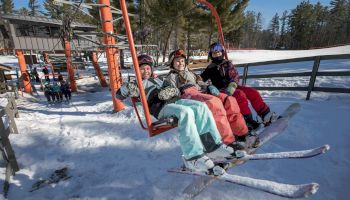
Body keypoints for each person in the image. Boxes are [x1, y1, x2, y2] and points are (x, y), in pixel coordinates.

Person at [116, 54, 242, 173]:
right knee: (185, 113)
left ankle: (212, 145)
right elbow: (118, 95)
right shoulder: (136, 84)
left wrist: (171, 91)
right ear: (137, 70)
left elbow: (175, 89)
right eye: (142, 69)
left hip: (175, 101)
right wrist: (127, 88)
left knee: (201, 107)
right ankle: (192, 157)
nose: (145, 71)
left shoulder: (159, 80)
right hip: (160, 108)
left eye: (147, 68)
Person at [162, 49, 255, 149]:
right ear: (172, 63)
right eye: (177, 61)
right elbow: (167, 93)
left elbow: (200, 82)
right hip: (188, 95)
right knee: (214, 103)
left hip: (200, 91)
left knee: (228, 99)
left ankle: (242, 133)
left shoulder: (191, 73)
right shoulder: (170, 77)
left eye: (182, 61)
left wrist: (208, 86)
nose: (181, 63)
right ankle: (227, 141)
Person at [201, 42, 278, 130]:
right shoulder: (210, 68)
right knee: (240, 95)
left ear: (222, 52)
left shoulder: (227, 64)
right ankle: (247, 120)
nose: (217, 55)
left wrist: (233, 85)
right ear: (211, 55)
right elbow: (201, 79)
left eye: (218, 52)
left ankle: (265, 114)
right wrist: (202, 84)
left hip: (232, 87)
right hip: (220, 90)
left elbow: (235, 76)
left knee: (252, 92)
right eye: (214, 53)